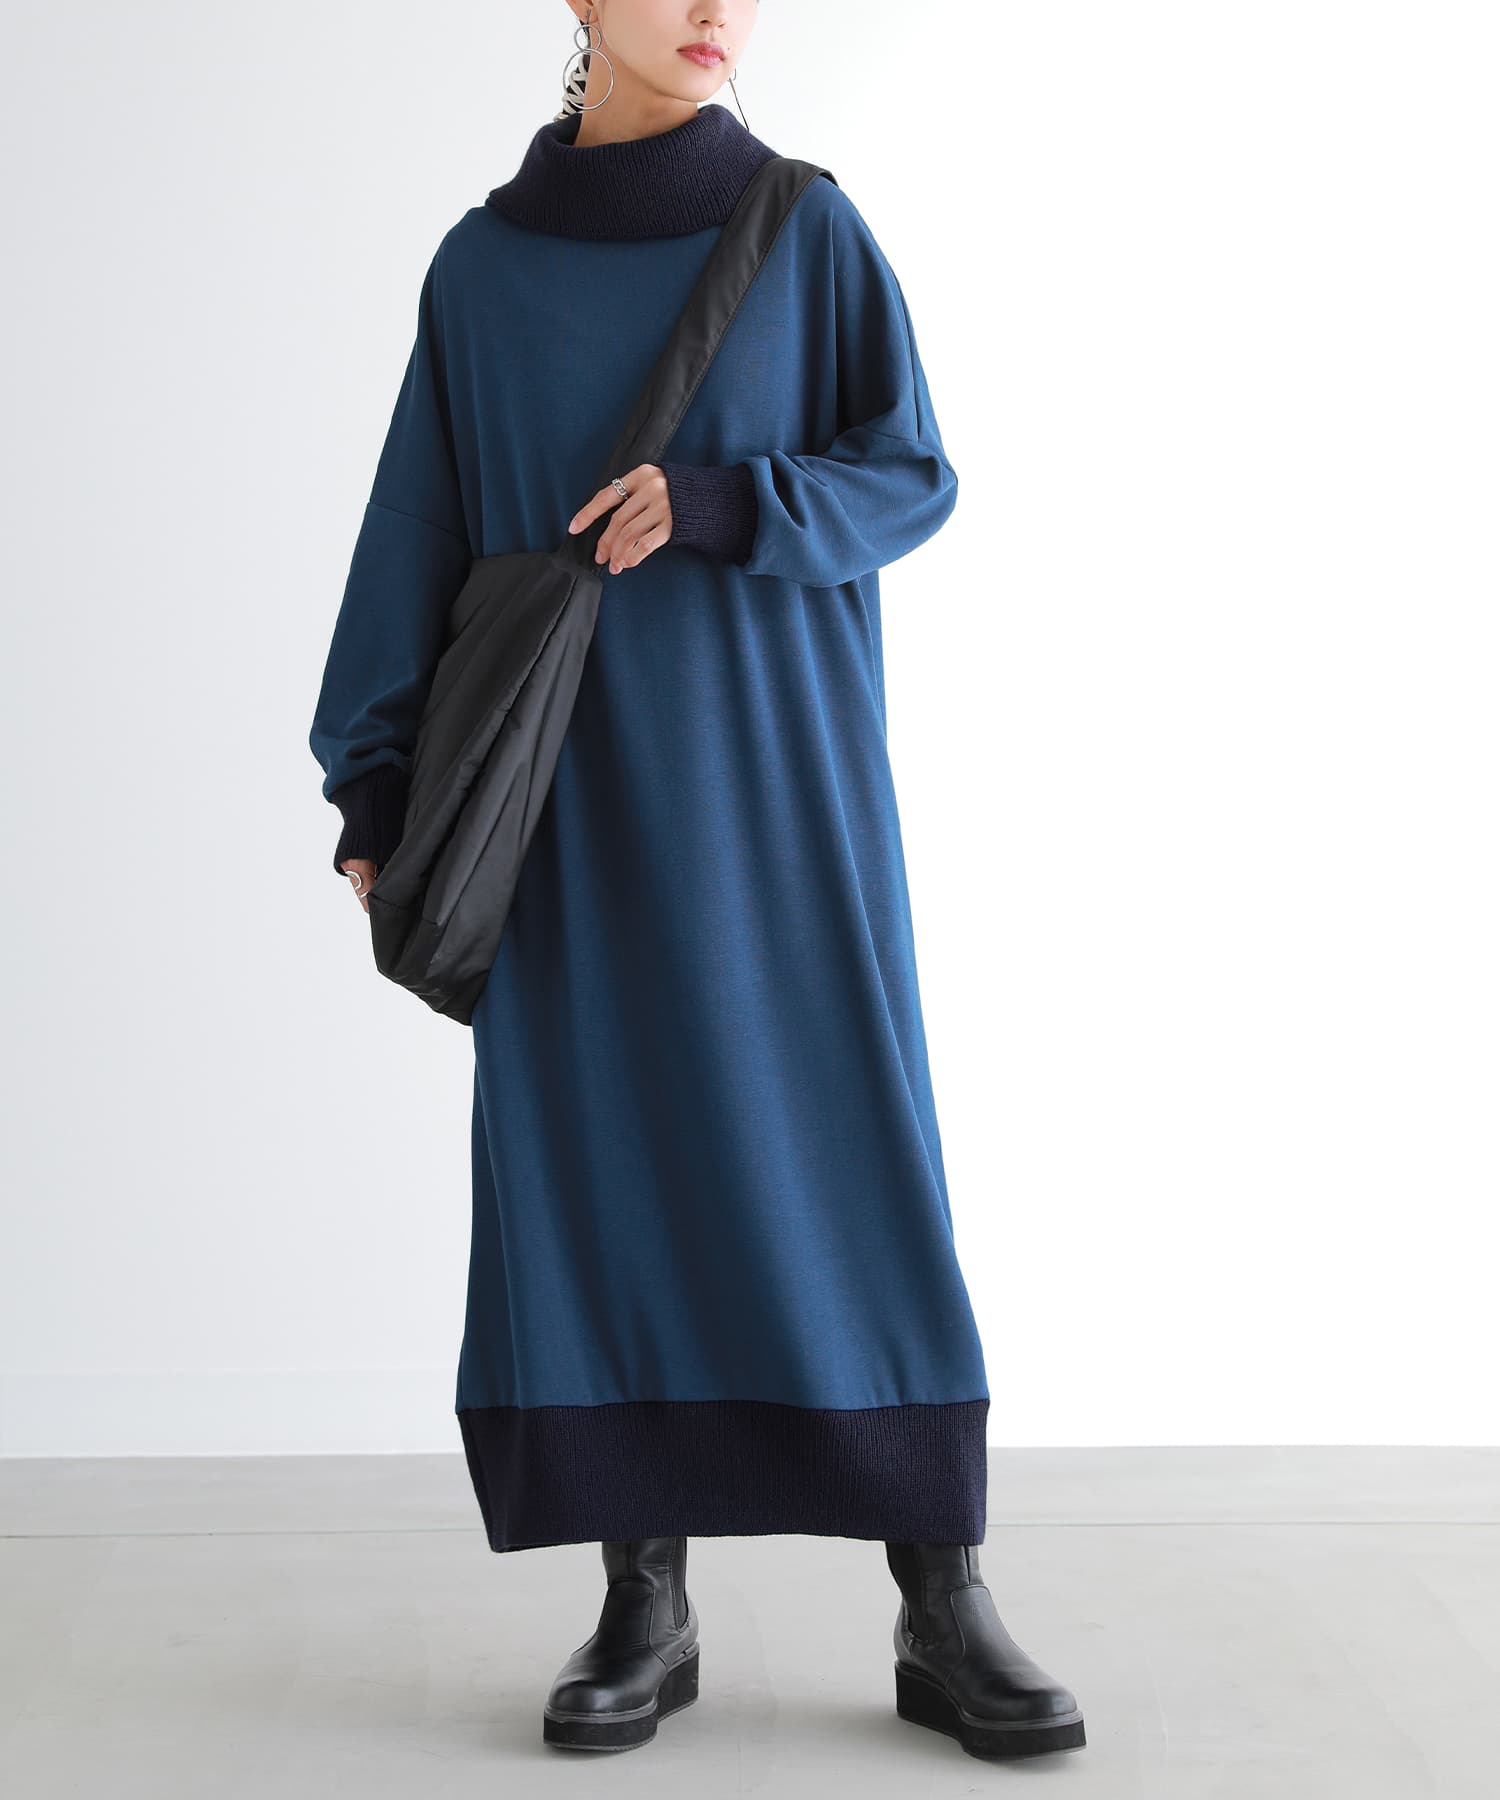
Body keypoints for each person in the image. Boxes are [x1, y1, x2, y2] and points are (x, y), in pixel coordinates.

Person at [307, 0, 1085, 1763]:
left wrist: (732, 503)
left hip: (782, 794)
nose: (717, 8)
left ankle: (941, 1591)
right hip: (563, 804)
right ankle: (642, 1601)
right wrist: (376, 781)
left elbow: (913, 475)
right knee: (596, 1170)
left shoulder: (807, 231)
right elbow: (414, 533)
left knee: (845, 1160)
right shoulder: (485, 272)